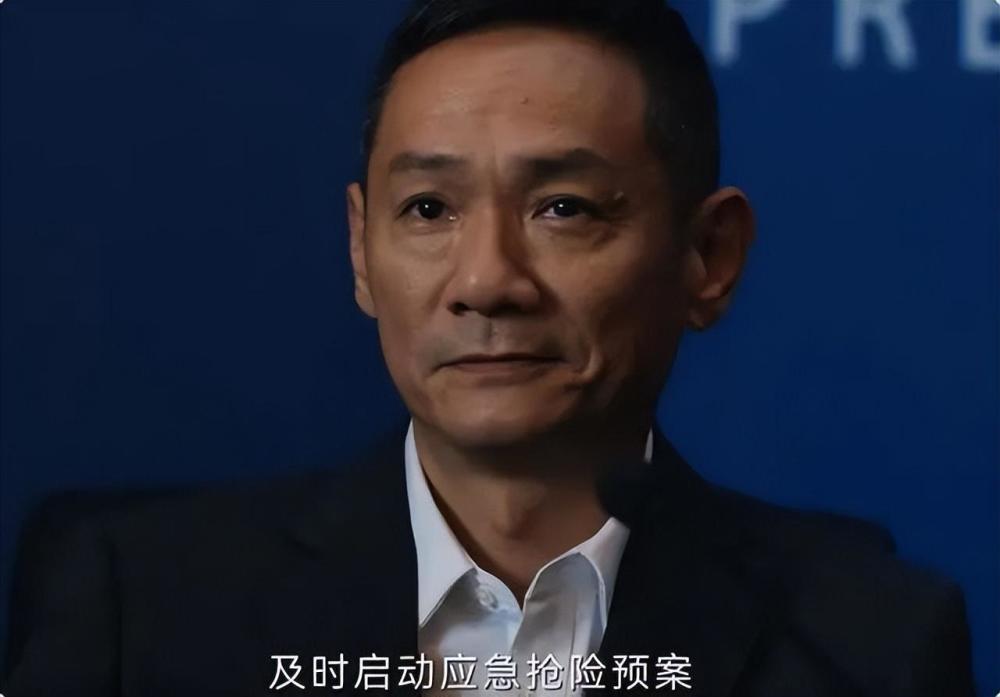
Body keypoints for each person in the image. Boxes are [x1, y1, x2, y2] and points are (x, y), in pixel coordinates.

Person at [2, 1, 976, 695]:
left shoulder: (864, 642)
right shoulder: (143, 604)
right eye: (429, 209)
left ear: (708, 256)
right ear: (360, 251)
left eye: (563, 208)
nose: (486, 280)